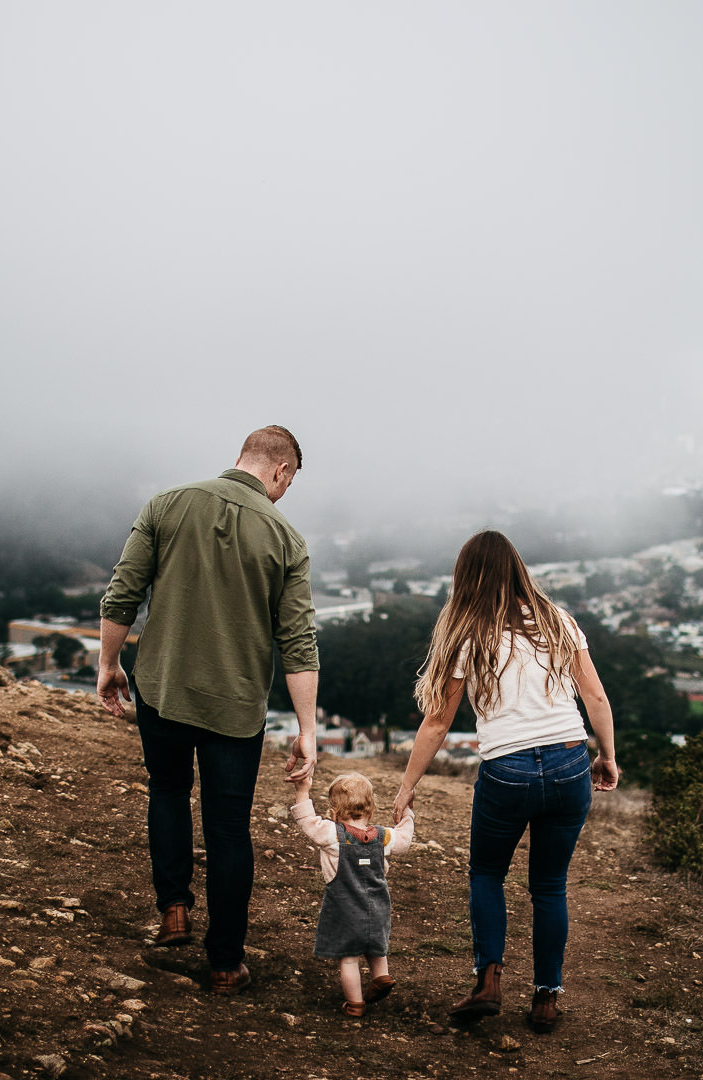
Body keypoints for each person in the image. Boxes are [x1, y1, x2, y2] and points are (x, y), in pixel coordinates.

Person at [97, 426, 320, 995]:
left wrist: (108, 664)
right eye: (290, 482)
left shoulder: (166, 505)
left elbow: (123, 593)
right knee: (227, 830)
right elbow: (297, 643)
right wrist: (308, 731)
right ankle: (224, 962)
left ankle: (173, 909)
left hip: (163, 690)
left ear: (241, 457)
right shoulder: (286, 540)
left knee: (168, 790)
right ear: (281, 472)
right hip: (235, 707)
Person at [392, 530, 619, 1033]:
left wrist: (407, 788)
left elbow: (436, 722)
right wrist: (606, 755)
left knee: (487, 874)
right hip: (567, 763)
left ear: (466, 577)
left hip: (508, 770)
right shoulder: (558, 621)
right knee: (549, 885)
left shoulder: (468, 632)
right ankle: (545, 999)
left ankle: (488, 980)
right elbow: (596, 699)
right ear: (517, 569)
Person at [289, 771, 416, 1017]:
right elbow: (405, 839)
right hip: (378, 907)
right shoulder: (384, 836)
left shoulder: (331, 835)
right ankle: (381, 976)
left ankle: (355, 1004)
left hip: (345, 909)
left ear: (334, 811)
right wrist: (407, 813)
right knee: (376, 947)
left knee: (349, 959)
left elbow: (307, 821)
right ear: (371, 809)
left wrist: (302, 791)